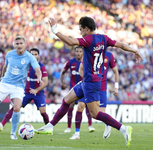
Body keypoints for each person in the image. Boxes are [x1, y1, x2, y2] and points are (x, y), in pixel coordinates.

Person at [34, 16, 143, 148]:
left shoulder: (88, 39)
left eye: (80, 29)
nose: (80, 32)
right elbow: (121, 45)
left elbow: (69, 41)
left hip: (92, 81)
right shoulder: (103, 38)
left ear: (86, 28)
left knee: (95, 114)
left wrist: (54, 30)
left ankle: (123, 128)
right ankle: (50, 126)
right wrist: (134, 50)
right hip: (88, 80)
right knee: (66, 100)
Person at [0, 48, 49, 132]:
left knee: (43, 111)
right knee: (16, 107)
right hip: (26, 93)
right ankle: (2, 124)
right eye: (32, 54)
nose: (33, 56)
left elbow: (45, 82)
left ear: (38, 56)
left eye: (35, 54)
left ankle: (48, 128)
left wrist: (36, 90)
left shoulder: (41, 67)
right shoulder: (25, 65)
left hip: (38, 93)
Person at [69, 51, 119, 140]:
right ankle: (77, 133)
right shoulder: (90, 53)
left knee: (100, 113)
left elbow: (115, 71)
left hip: (102, 87)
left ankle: (108, 124)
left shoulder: (109, 55)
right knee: (80, 106)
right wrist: (86, 79)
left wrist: (116, 87)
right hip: (89, 86)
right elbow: (81, 69)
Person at [60, 46, 95, 133]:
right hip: (73, 89)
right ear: (74, 52)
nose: (78, 53)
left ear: (83, 53)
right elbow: (62, 72)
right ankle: (68, 127)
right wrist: (62, 83)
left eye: (80, 51)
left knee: (84, 106)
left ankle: (90, 125)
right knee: (70, 106)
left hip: (84, 88)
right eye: (77, 51)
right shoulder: (70, 62)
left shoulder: (86, 62)